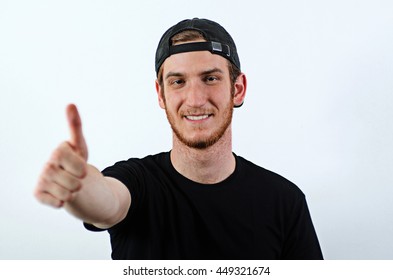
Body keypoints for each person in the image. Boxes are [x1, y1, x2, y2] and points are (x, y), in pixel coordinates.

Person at [34, 18, 323, 260]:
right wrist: (79, 187)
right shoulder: (137, 182)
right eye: (178, 82)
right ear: (161, 94)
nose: (195, 100)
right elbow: (107, 203)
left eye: (210, 78)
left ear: (238, 89)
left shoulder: (285, 201)